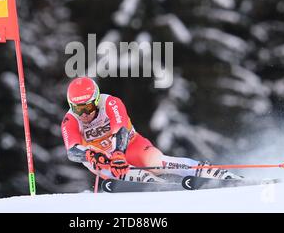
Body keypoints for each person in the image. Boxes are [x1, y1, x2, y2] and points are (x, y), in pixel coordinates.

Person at [61, 77, 242, 182]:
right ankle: (147, 181)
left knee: (159, 162)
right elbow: (72, 151)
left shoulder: (111, 103)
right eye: (78, 108)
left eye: (88, 107)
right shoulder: (69, 119)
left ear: (96, 99)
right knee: (109, 168)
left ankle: (210, 172)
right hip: (103, 159)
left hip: (131, 145)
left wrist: (118, 154)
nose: (84, 114)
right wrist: (90, 156)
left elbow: (121, 129)